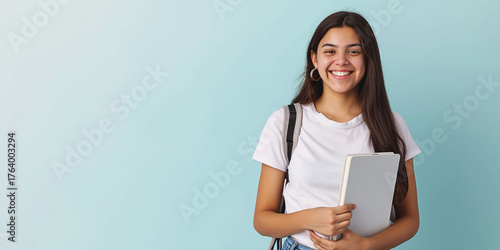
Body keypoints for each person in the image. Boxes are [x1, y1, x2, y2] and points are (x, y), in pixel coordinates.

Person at [252, 11, 422, 250]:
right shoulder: (286, 122)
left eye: (353, 51)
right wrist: (311, 218)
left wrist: (365, 246)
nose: (341, 61)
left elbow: (410, 220)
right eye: (330, 51)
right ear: (314, 59)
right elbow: (262, 220)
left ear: (368, 58)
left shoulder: (391, 125)